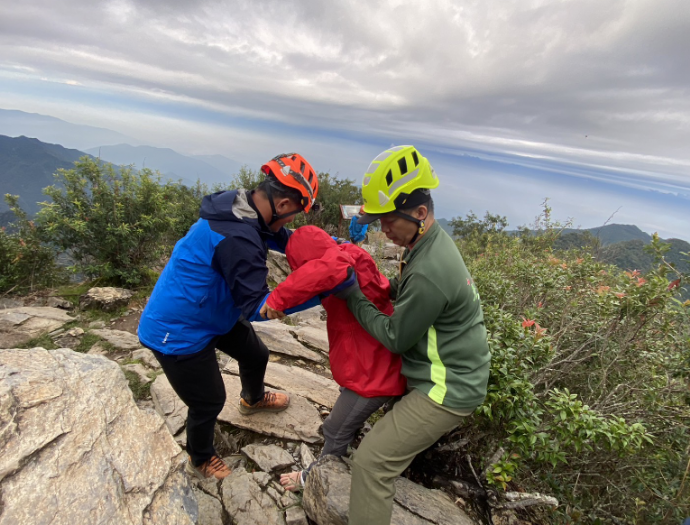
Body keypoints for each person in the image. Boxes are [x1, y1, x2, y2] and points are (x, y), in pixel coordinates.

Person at [137, 153, 321, 480]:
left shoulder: (244, 208)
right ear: (281, 205)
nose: (292, 220)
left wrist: (330, 250)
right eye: (295, 213)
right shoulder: (238, 237)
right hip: (177, 330)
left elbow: (282, 238)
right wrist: (321, 291)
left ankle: (252, 399)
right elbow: (259, 306)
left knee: (256, 353)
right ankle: (201, 458)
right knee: (209, 401)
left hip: (210, 312)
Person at [337, 145, 491, 524]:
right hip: (445, 373)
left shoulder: (429, 268)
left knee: (371, 464)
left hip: (446, 389)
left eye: (389, 221)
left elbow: (394, 337)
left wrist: (353, 296)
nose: (383, 229)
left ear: (420, 213)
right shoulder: (424, 244)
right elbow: (405, 293)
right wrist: (375, 281)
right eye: (379, 221)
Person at [260, 225, 406, 491]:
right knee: (345, 415)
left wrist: (278, 297)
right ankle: (351, 432)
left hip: (372, 374)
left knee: (334, 429)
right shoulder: (352, 255)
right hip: (372, 361)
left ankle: (316, 478)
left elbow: (328, 268)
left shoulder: (339, 266)